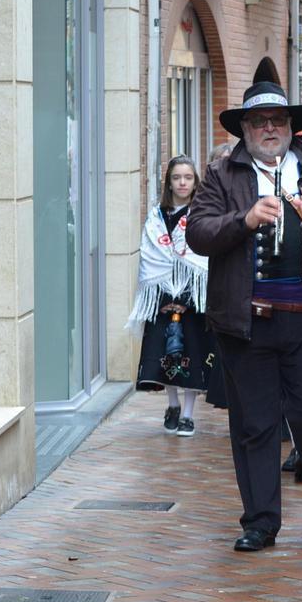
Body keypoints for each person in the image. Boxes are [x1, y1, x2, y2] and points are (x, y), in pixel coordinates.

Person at [186, 72, 302, 550]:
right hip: (244, 321)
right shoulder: (222, 174)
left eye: (278, 119)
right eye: (260, 120)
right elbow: (198, 233)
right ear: (245, 128)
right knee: (255, 423)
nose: (270, 127)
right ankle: (260, 521)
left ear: (290, 125)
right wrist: (243, 220)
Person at [127, 156, 213, 436]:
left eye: (188, 177)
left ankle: (188, 414)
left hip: (192, 301)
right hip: (162, 299)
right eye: (177, 178)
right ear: (169, 183)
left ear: (195, 182)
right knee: (165, 356)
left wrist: (186, 299)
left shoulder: (201, 215)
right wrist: (164, 299)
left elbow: (205, 260)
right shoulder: (156, 217)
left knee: (190, 356)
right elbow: (149, 259)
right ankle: (173, 404)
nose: (182, 183)